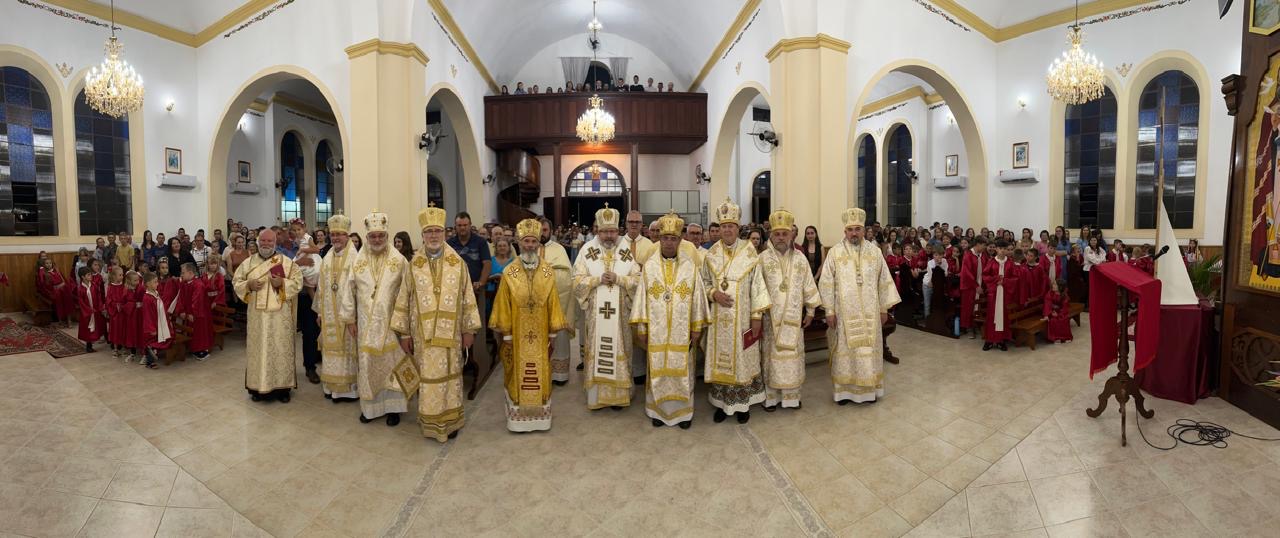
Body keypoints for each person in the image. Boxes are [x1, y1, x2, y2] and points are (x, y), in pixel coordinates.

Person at [391, 205, 482, 441]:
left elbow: (467, 296)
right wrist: (404, 334)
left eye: (437, 231)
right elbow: (403, 298)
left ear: (444, 233)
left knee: (451, 378)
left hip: (451, 337)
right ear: (423, 235)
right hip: (423, 337)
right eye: (429, 231)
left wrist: (469, 329)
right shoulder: (414, 265)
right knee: (428, 379)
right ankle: (431, 423)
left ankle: (451, 421)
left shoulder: (457, 263)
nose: (433, 235)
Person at [489, 219, 570, 432]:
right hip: (517, 334)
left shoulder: (547, 271)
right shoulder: (510, 272)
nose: (530, 246)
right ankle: (518, 419)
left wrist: (553, 333)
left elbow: (553, 301)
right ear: (519, 242)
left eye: (534, 241)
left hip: (541, 334)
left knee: (541, 371)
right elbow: (503, 304)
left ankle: (540, 418)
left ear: (538, 243)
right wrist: (506, 334)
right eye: (526, 241)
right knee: (517, 371)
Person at [631, 212, 707, 428]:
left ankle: (683, 414)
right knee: (658, 369)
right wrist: (642, 329)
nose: (669, 242)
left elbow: (698, 299)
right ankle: (657, 411)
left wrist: (696, 327)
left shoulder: (690, 267)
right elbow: (641, 299)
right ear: (660, 239)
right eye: (665, 238)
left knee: (682, 370)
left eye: (673, 238)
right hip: (657, 332)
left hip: (682, 333)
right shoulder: (650, 267)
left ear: (680, 240)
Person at [818, 208, 900, 404]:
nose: (854, 233)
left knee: (868, 351)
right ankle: (844, 393)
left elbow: (884, 281)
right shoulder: (835, 253)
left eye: (857, 229)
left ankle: (869, 392)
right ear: (844, 231)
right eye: (850, 230)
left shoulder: (875, 252)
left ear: (864, 230)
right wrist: (829, 311)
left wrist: (884, 308)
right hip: (843, 313)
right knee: (845, 353)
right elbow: (826, 282)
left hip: (871, 312)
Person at [702, 198, 771, 424]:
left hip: (743, 319)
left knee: (743, 360)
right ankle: (722, 404)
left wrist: (757, 316)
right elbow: (704, 283)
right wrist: (714, 294)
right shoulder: (711, 254)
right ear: (719, 228)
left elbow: (757, 285)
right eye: (723, 226)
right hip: (718, 319)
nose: (727, 230)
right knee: (721, 361)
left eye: (731, 226)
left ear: (738, 227)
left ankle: (743, 405)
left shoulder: (749, 252)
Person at [340, 210, 411, 426]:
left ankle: (394, 409)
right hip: (365, 325)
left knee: (392, 365)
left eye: (381, 235)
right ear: (367, 237)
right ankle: (370, 409)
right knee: (368, 365)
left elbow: (408, 294)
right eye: (373, 236)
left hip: (392, 325)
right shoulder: (358, 261)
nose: (377, 239)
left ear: (387, 236)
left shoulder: (399, 261)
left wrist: (406, 328)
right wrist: (350, 319)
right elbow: (348, 290)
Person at [571, 206, 641, 410]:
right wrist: (596, 280)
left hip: (620, 316)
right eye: (604, 231)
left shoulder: (625, 251)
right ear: (597, 231)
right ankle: (597, 396)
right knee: (598, 351)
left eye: (612, 231)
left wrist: (619, 279)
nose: (609, 235)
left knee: (621, 349)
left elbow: (638, 280)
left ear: (618, 231)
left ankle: (619, 395)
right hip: (596, 315)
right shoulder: (587, 251)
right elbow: (576, 281)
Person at [758, 210, 820, 411]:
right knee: (771, 360)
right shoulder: (762, 259)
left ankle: (792, 398)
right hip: (770, 321)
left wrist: (810, 312)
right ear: (771, 235)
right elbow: (756, 289)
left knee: (792, 360)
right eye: (777, 234)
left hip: (794, 320)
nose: (781, 237)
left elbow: (808, 285)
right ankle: (771, 398)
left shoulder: (801, 259)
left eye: (785, 233)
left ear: (792, 235)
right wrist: (757, 316)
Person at [233, 229, 303, 402]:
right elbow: (236, 281)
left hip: (280, 318)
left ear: (275, 243)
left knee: (280, 350)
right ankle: (256, 388)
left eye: (269, 241)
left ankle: (283, 389)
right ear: (258, 242)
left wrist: (282, 283)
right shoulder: (248, 263)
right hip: (257, 318)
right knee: (258, 351)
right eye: (263, 241)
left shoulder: (287, 263)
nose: (266, 244)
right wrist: (248, 285)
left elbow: (298, 282)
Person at [314, 213, 360, 402]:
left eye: (340, 234)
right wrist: (319, 311)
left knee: (348, 350)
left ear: (347, 236)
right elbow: (321, 286)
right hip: (329, 313)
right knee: (330, 351)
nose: (336, 238)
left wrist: (353, 317)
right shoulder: (327, 257)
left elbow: (359, 289)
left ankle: (349, 391)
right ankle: (331, 387)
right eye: (333, 235)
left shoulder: (356, 258)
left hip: (348, 315)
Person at [538, 218, 576, 385]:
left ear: (551, 231)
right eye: (539, 230)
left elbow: (567, 278)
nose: (541, 233)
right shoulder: (528, 248)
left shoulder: (559, 249)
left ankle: (559, 375)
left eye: (545, 230)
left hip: (557, 302)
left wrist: (545, 273)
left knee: (559, 336)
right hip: (534, 305)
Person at [982, 240, 1018, 351]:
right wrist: (995, 280)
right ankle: (989, 340)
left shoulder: (1010, 263)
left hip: (1005, 294)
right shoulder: (991, 262)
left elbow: (1015, 278)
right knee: (992, 316)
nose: (1002, 251)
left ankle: (1001, 340)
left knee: (1003, 316)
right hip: (994, 293)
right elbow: (985, 275)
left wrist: (1005, 281)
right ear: (996, 249)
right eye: (1000, 248)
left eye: (1004, 249)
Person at [139, 272, 171, 369]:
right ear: (148, 284)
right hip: (151, 325)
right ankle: (150, 362)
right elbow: (147, 315)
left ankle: (153, 356)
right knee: (150, 343)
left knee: (157, 341)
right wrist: (151, 328)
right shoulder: (147, 298)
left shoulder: (155, 293)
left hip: (158, 323)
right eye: (155, 282)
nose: (158, 284)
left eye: (157, 281)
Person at [959, 236, 987, 339]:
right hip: (969, 286)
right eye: (983, 245)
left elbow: (986, 268)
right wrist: (975, 285)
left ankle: (976, 325)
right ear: (978, 244)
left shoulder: (983, 255)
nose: (985, 247)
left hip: (980, 284)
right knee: (968, 307)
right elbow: (967, 273)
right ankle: (968, 328)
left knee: (978, 306)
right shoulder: (968, 255)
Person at [37, 258, 74, 327]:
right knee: (59, 305)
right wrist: (51, 293)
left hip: (64, 289)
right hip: (56, 291)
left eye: (50, 263)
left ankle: (69, 320)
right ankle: (60, 321)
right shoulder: (45, 274)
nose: (49, 265)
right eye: (47, 263)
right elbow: (45, 285)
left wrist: (66, 286)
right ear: (44, 265)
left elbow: (63, 278)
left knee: (67, 303)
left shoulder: (56, 270)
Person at [76, 267, 105, 353]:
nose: (91, 276)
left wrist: (100, 307)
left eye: (90, 274)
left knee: (97, 326)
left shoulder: (94, 285)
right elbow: (81, 302)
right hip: (87, 313)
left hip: (95, 310)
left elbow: (99, 296)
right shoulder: (80, 289)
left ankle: (101, 338)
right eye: (88, 275)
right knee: (87, 328)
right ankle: (89, 345)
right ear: (83, 277)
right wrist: (88, 310)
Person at [106, 267, 129, 358]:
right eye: (120, 275)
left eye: (122, 275)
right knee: (115, 331)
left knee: (124, 330)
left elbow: (126, 298)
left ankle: (124, 348)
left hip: (123, 313)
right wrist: (115, 305)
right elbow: (108, 300)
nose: (122, 277)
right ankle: (115, 349)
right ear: (114, 276)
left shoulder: (124, 286)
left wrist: (124, 305)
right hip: (115, 314)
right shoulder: (110, 287)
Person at [1043, 278, 1073, 343]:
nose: (1053, 285)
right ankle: (1056, 337)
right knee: (1053, 320)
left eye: (1055, 284)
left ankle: (1065, 337)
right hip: (1052, 311)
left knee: (1064, 319)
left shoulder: (1064, 296)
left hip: (1061, 312)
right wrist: (1047, 314)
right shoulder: (1050, 293)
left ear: (1060, 287)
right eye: (1053, 284)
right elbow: (1047, 303)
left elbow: (1065, 307)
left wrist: (1059, 314)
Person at [922, 247, 948, 318]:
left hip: (938, 286)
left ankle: (937, 320)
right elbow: (932, 276)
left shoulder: (944, 261)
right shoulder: (930, 263)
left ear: (943, 255)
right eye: (936, 255)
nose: (938, 257)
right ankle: (927, 320)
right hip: (927, 284)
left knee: (937, 303)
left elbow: (945, 274)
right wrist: (938, 265)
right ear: (933, 255)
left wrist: (940, 265)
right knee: (927, 304)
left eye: (940, 255)